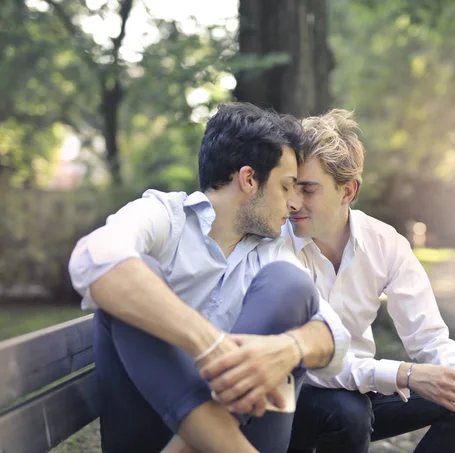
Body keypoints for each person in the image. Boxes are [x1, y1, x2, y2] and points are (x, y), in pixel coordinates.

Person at [68, 103, 350, 453]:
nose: (294, 203)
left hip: (242, 428)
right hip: (149, 431)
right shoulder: (165, 218)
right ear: (249, 179)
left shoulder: (272, 253)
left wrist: (288, 347)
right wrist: (210, 346)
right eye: (286, 186)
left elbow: (335, 336)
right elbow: (93, 257)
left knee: (289, 286)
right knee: (133, 277)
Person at [283, 109, 455, 453]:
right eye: (289, 187)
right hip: (287, 402)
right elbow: (312, 365)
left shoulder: (385, 244)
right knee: (348, 412)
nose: (292, 202)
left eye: (308, 190)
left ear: (347, 191)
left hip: (358, 391)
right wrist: (404, 374)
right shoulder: (274, 245)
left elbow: (430, 338)